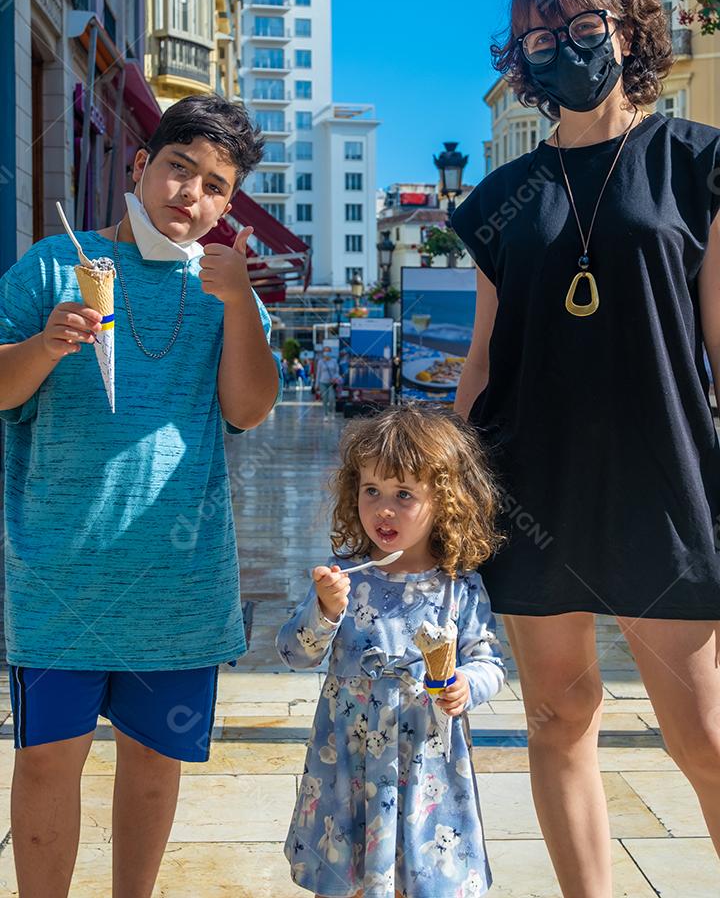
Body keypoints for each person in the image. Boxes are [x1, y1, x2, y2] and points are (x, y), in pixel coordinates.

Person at [450, 0, 720, 897]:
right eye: (539, 36)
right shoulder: (496, 201)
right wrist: (445, 493)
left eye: (582, 26)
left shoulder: (698, 163)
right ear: (520, 58)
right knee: (560, 717)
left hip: (664, 477)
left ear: (627, 29)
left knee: (705, 736)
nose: (563, 46)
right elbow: (483, 361)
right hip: (532, 485)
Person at [0, 94, 282, 897]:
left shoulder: (227, 289)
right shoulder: (54, 265)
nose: (190, 195)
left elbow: (248, 409)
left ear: (229, 204)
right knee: (48, 761)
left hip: (179, 584)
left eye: (216, 186)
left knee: (156, 766)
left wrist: (240, 309)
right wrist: (45, 344)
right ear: (140, 168)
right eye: (178, 168)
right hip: (61, 574)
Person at [275, 402, 506, 897]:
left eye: (405, 494)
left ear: (443, 501)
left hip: (425, 765)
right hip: (348, 763)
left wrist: (468, 685)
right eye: (372, 491)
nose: (384, 508)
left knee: (421, 878)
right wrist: (324, 610)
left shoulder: (456, 588)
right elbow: (296, 653)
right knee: (345, 878)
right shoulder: (344, 579)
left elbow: (488, 661)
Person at [315, 345, 341, 419]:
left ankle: (332, 412)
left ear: (330, 352)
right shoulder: (320, 362)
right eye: (325, 351)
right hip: (322, 382)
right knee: (325, 399)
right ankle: (325, 414)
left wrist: (335, 378)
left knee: (331, 398)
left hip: (331, 383)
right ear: (323, 352)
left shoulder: (334, 361)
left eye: (328, 351)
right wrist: (316, 385)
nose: (327, 353)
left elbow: (337, 372)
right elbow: (318, 373)